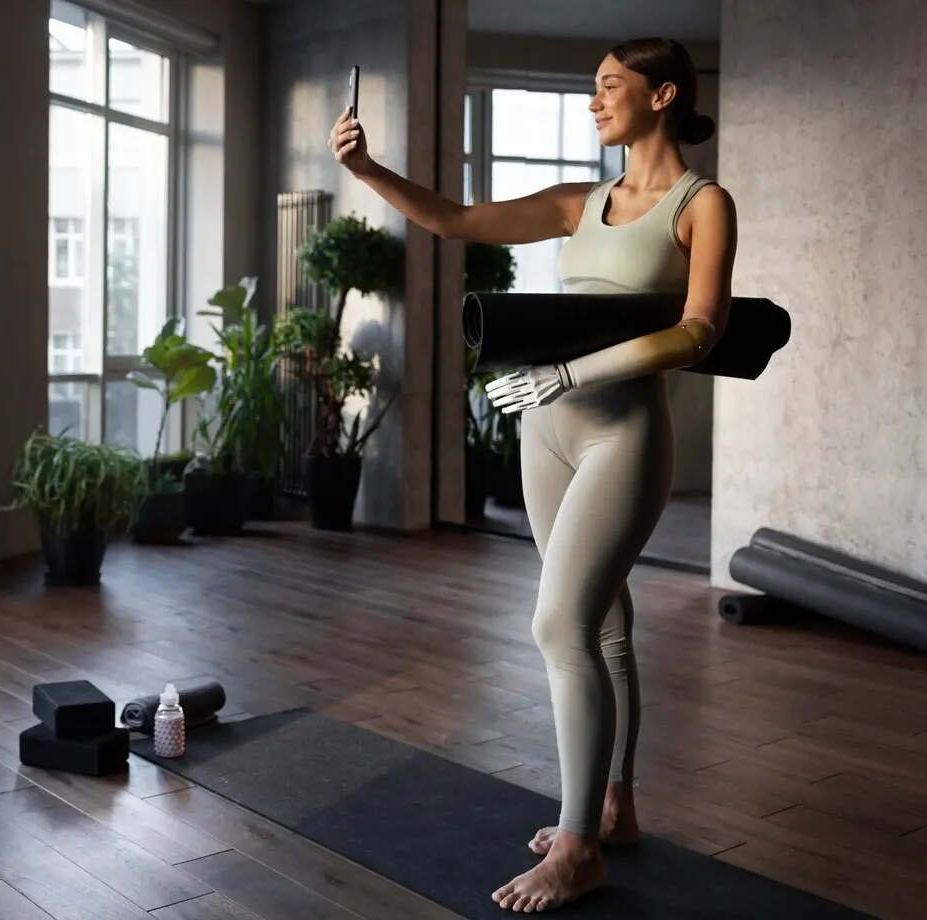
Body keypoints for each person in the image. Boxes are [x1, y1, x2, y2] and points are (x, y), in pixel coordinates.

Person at [328, 37, 736, 913]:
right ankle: (615, 808)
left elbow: (700, 330)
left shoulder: (702, 205)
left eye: (609, 88)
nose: (595, 103)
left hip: (618, 433)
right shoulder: (578, 202)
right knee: (606, 623)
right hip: (541, 430)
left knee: (559, 626)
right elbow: (452, 220)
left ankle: (578, 847)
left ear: (662, 96)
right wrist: (368, 171)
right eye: (591, 89)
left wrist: (571, 373)